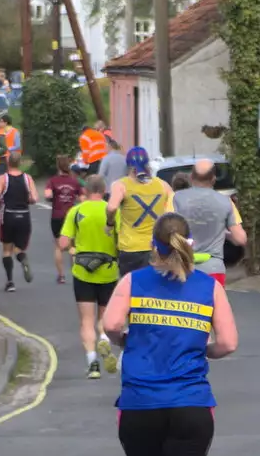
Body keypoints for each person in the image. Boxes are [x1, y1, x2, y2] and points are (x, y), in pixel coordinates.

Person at [102, 213, 238, 456]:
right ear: (189, 243)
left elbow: (111, 324)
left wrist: (127, 340)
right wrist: (203, 350)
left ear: (153, 247)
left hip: (139, 403)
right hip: (191, 403)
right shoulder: (208, 287)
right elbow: (228, 343)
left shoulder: (133, 282)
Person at [58, 175, 120, 379]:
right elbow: (121, 242)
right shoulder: (113, 211)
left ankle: (92, 363)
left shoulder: (76, 211)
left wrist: (74, 247)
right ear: (104, 191)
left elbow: (63, 243)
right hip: (108, 271)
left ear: (85, 191)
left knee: (86, 321)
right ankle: (104, 337)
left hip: (83, 272)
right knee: (104, 317)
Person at [172, 159, 248, 289]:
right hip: (213, 269)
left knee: (186, 308)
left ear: (191, 177)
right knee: (212, 307)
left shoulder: (175, 198)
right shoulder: (226, 202)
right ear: (213, 179)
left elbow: (165, 230)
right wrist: (224, 233)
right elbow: (241, 239)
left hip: (183, 266)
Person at [107, 146, 174, 277]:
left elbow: (112, 207)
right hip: (157, 246)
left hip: (130, 248)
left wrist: (109, 223)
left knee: (132, 289)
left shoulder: (121, 185)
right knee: (156, 290)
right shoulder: (162, 185)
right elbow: (173, 208)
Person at [0, 151, 39, 292]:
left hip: (8, 215)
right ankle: (22, 258)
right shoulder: (27, 178)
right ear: (20, 163)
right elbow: (34, 198)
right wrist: (26, 199)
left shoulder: (2, 179)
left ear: (8, 162)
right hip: (24, 215)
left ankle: (10, 281)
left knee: (7, 250)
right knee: (19, 248)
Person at [43, 155, 84, 284]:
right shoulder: (74, 182)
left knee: (59, 247)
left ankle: (61, 276)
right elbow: (83, 199)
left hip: (56, 216)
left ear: (58, 166)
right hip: (70, 216)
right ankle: (76, 273)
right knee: (72, 246)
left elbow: (47, 195)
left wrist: (53, 197)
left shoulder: (52, 181)